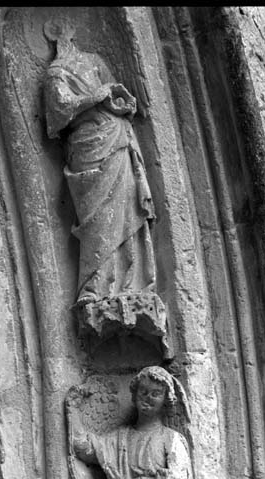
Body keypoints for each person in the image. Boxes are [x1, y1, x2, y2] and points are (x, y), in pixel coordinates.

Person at [44, 22, 157, 307]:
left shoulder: (95, 61)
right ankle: (94, 286)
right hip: (87, 146)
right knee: (97, 219)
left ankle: (130, 281)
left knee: (127, 208)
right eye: (60, 36)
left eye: (68, 35)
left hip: (116, 137)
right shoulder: (55, 74)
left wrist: (121, 102)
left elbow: (117, 93)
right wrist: (96, 97)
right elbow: (59, 113)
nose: (66, 40)